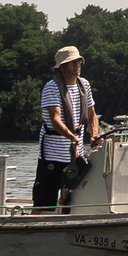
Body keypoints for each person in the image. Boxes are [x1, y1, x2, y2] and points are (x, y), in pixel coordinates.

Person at [35, 45, 100, 210]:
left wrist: (94, 134)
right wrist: (73, 138)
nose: (77, 65)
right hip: (53, 155)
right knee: (44, 202)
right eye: (72, 62)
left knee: (71, 199)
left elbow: (92, 114)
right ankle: (37, 224)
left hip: (75, 155)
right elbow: (55, 120)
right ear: (61, 67)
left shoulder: (84, 85)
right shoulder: (51, 87)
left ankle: (65, 222)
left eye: (79, 62)